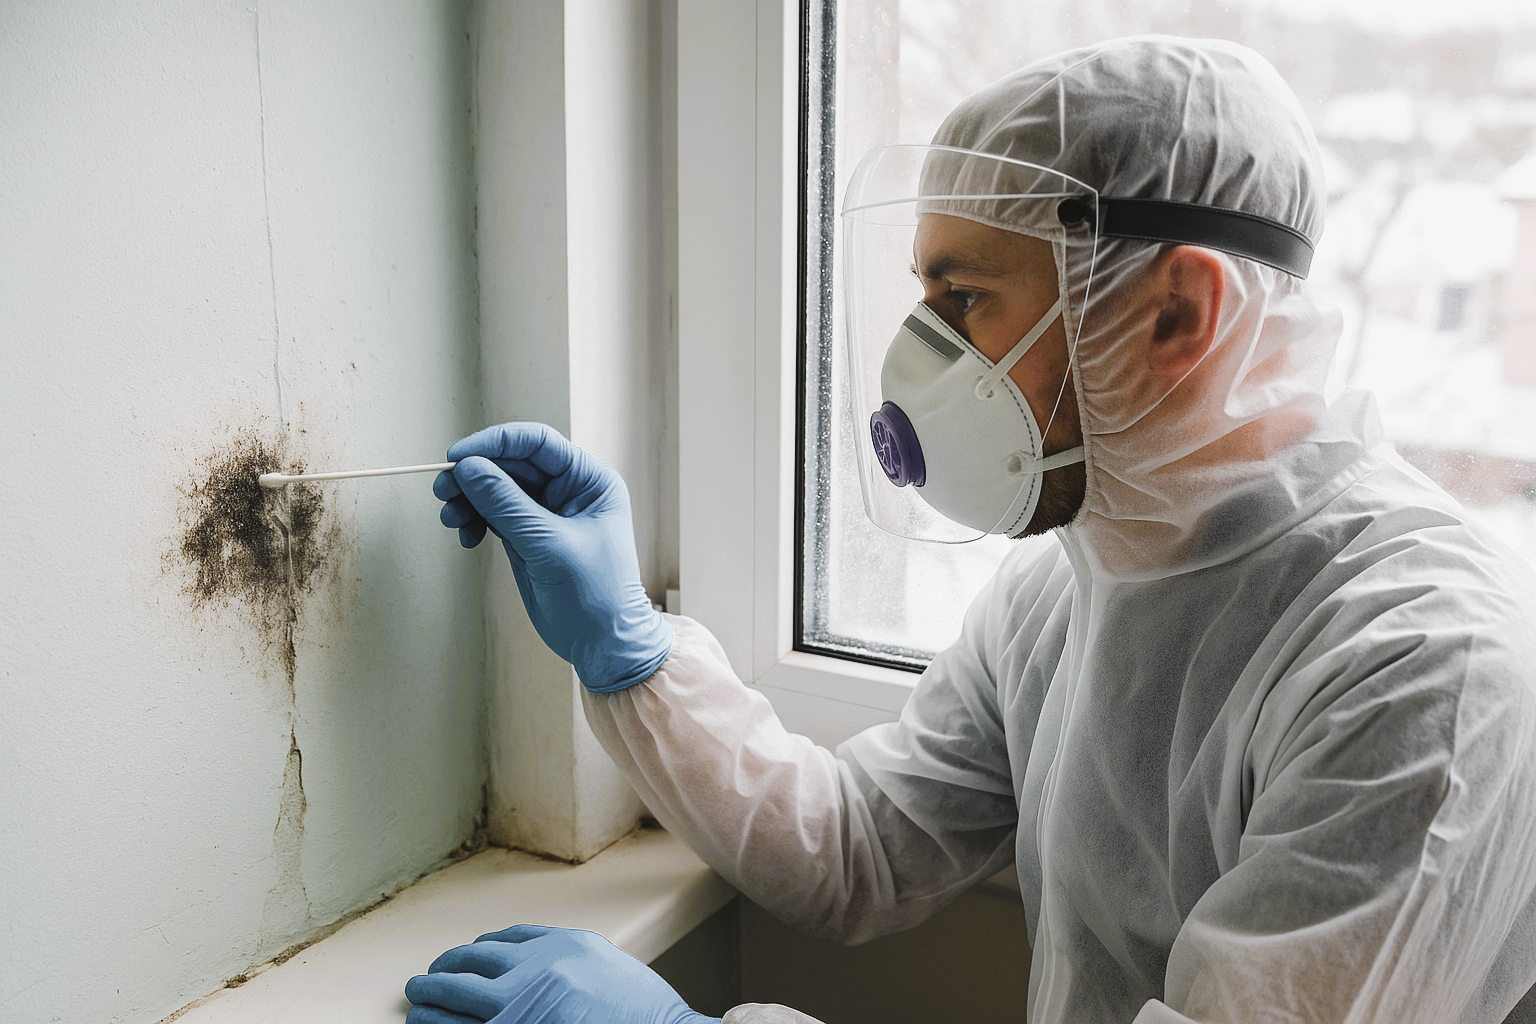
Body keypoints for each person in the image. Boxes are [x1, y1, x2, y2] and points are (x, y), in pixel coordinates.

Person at [405, 36, 1536, 1024]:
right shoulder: (1074, 578)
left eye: (964, 298)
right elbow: (859, 851)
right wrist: (631, 648)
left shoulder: (1418, 670)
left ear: (1177, 314)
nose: (920, 358)